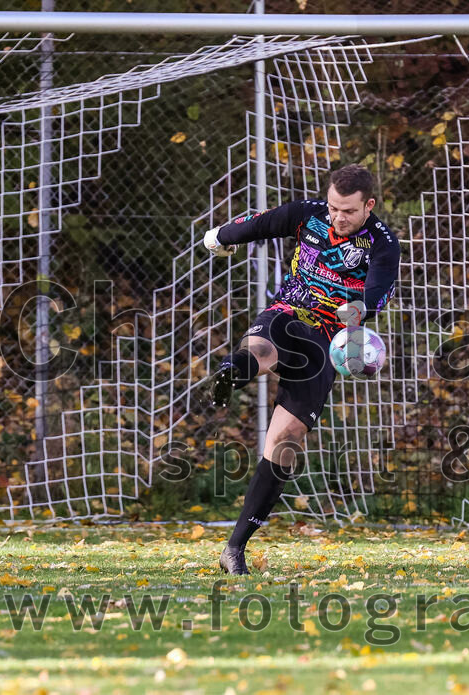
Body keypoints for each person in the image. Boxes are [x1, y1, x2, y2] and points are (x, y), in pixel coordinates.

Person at [203, 164, 400, 575]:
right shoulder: (308, 214)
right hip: (289, 311)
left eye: (347, 211)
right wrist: (220, 237)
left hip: (328, 341)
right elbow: (260, 224)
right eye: (333, 208)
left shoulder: (383, 243)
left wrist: (359, 310)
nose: (338, 217)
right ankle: (231, 371)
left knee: (286, 441)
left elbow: (379, 288)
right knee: (262, 346)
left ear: (369, 206)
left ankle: (234, 548)